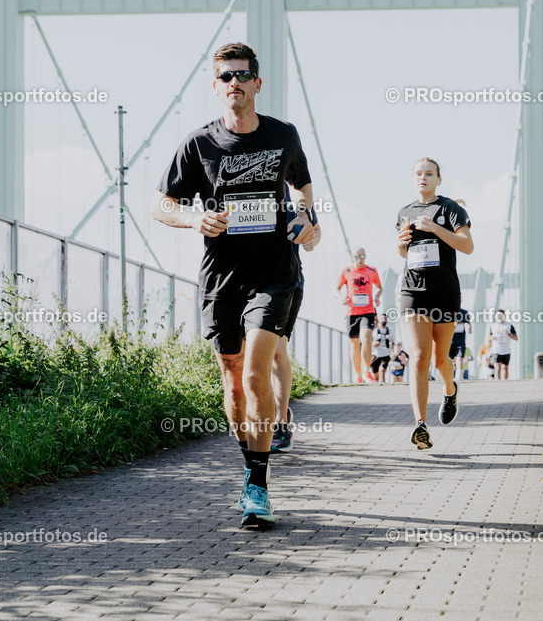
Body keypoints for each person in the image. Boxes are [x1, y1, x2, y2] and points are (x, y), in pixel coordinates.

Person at [152, 42, 315, 528]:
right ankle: (249, 466)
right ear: (216, 86)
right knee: (232, 377)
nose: (235, 83)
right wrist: (193, 218)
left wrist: (308, 219)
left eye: (243, 75)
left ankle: (259, 485)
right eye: (226, 76)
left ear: (257, 83)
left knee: (255, 374)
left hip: (274, 272)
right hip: (222, 276)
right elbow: (161, 204)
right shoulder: (198, 144)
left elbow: (303, 187)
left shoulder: (283, 135)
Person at [397, 157, 474, 450]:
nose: (423, 177)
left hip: (444, 293)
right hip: (413, 291)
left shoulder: (451, 209)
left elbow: (467, 246)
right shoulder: (404, 212)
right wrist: (400, 244)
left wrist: (434, 228)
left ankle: (450, 389)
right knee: (418, 357)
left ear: (438, 180)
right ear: (412, 178)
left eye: (429, 174)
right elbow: (404, 252)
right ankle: (420, 425)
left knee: (441, 360)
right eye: (418, 173)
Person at [270, 189, 322, 453]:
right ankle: (267, 412)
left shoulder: (299, 196)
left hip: (288, 282)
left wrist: (311, 239)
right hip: (244, 282)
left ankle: (280, 424)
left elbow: (316, 229)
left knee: (276, 351)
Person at [336, 247, 382, 384]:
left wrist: (377, 296)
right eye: (357, 256)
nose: (359, 259)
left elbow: (379, 287)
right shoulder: (346, 271)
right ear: (352, 257)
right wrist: (340, 297)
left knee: (366, 339)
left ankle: (367, 371)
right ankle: (358, 374)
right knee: (354, 344)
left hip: (368, 311)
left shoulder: (372, 270)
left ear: (365, 257)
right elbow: (336, 288)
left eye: (362, 256)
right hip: (352, 312)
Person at [489, 309, 518, 380]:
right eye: (498, 315)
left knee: (505, 368)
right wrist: (492, 337)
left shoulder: (509, 325)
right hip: (496, 350)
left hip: (506, 350)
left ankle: (505, 382)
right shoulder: (493, 326)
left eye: (501, 315)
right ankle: (497, 383)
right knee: (497, 367)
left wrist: (509, 334)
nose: (500, 317)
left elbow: (516, 338)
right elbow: (489, 338)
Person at [449, 307, 472, 381]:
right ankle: (449, 379)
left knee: (459, 360)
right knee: (449, 361)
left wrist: (470, 328)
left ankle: (459, 379)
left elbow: (468, 322)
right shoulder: (447, 311)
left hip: (460, 341)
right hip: (449, 341)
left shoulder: (464, 312)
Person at [371, 313, 393, 384]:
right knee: (376, 374)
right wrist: (373, 343)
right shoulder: (374, 331)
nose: (384, 320)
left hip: (386, 354)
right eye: (382, 318)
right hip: (375, 354)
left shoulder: (390, 331)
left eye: (385, 318)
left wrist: (393, 348)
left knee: (382, 370)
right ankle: (377, 383)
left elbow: (393, 342)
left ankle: (382, 386)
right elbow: (367, 343)